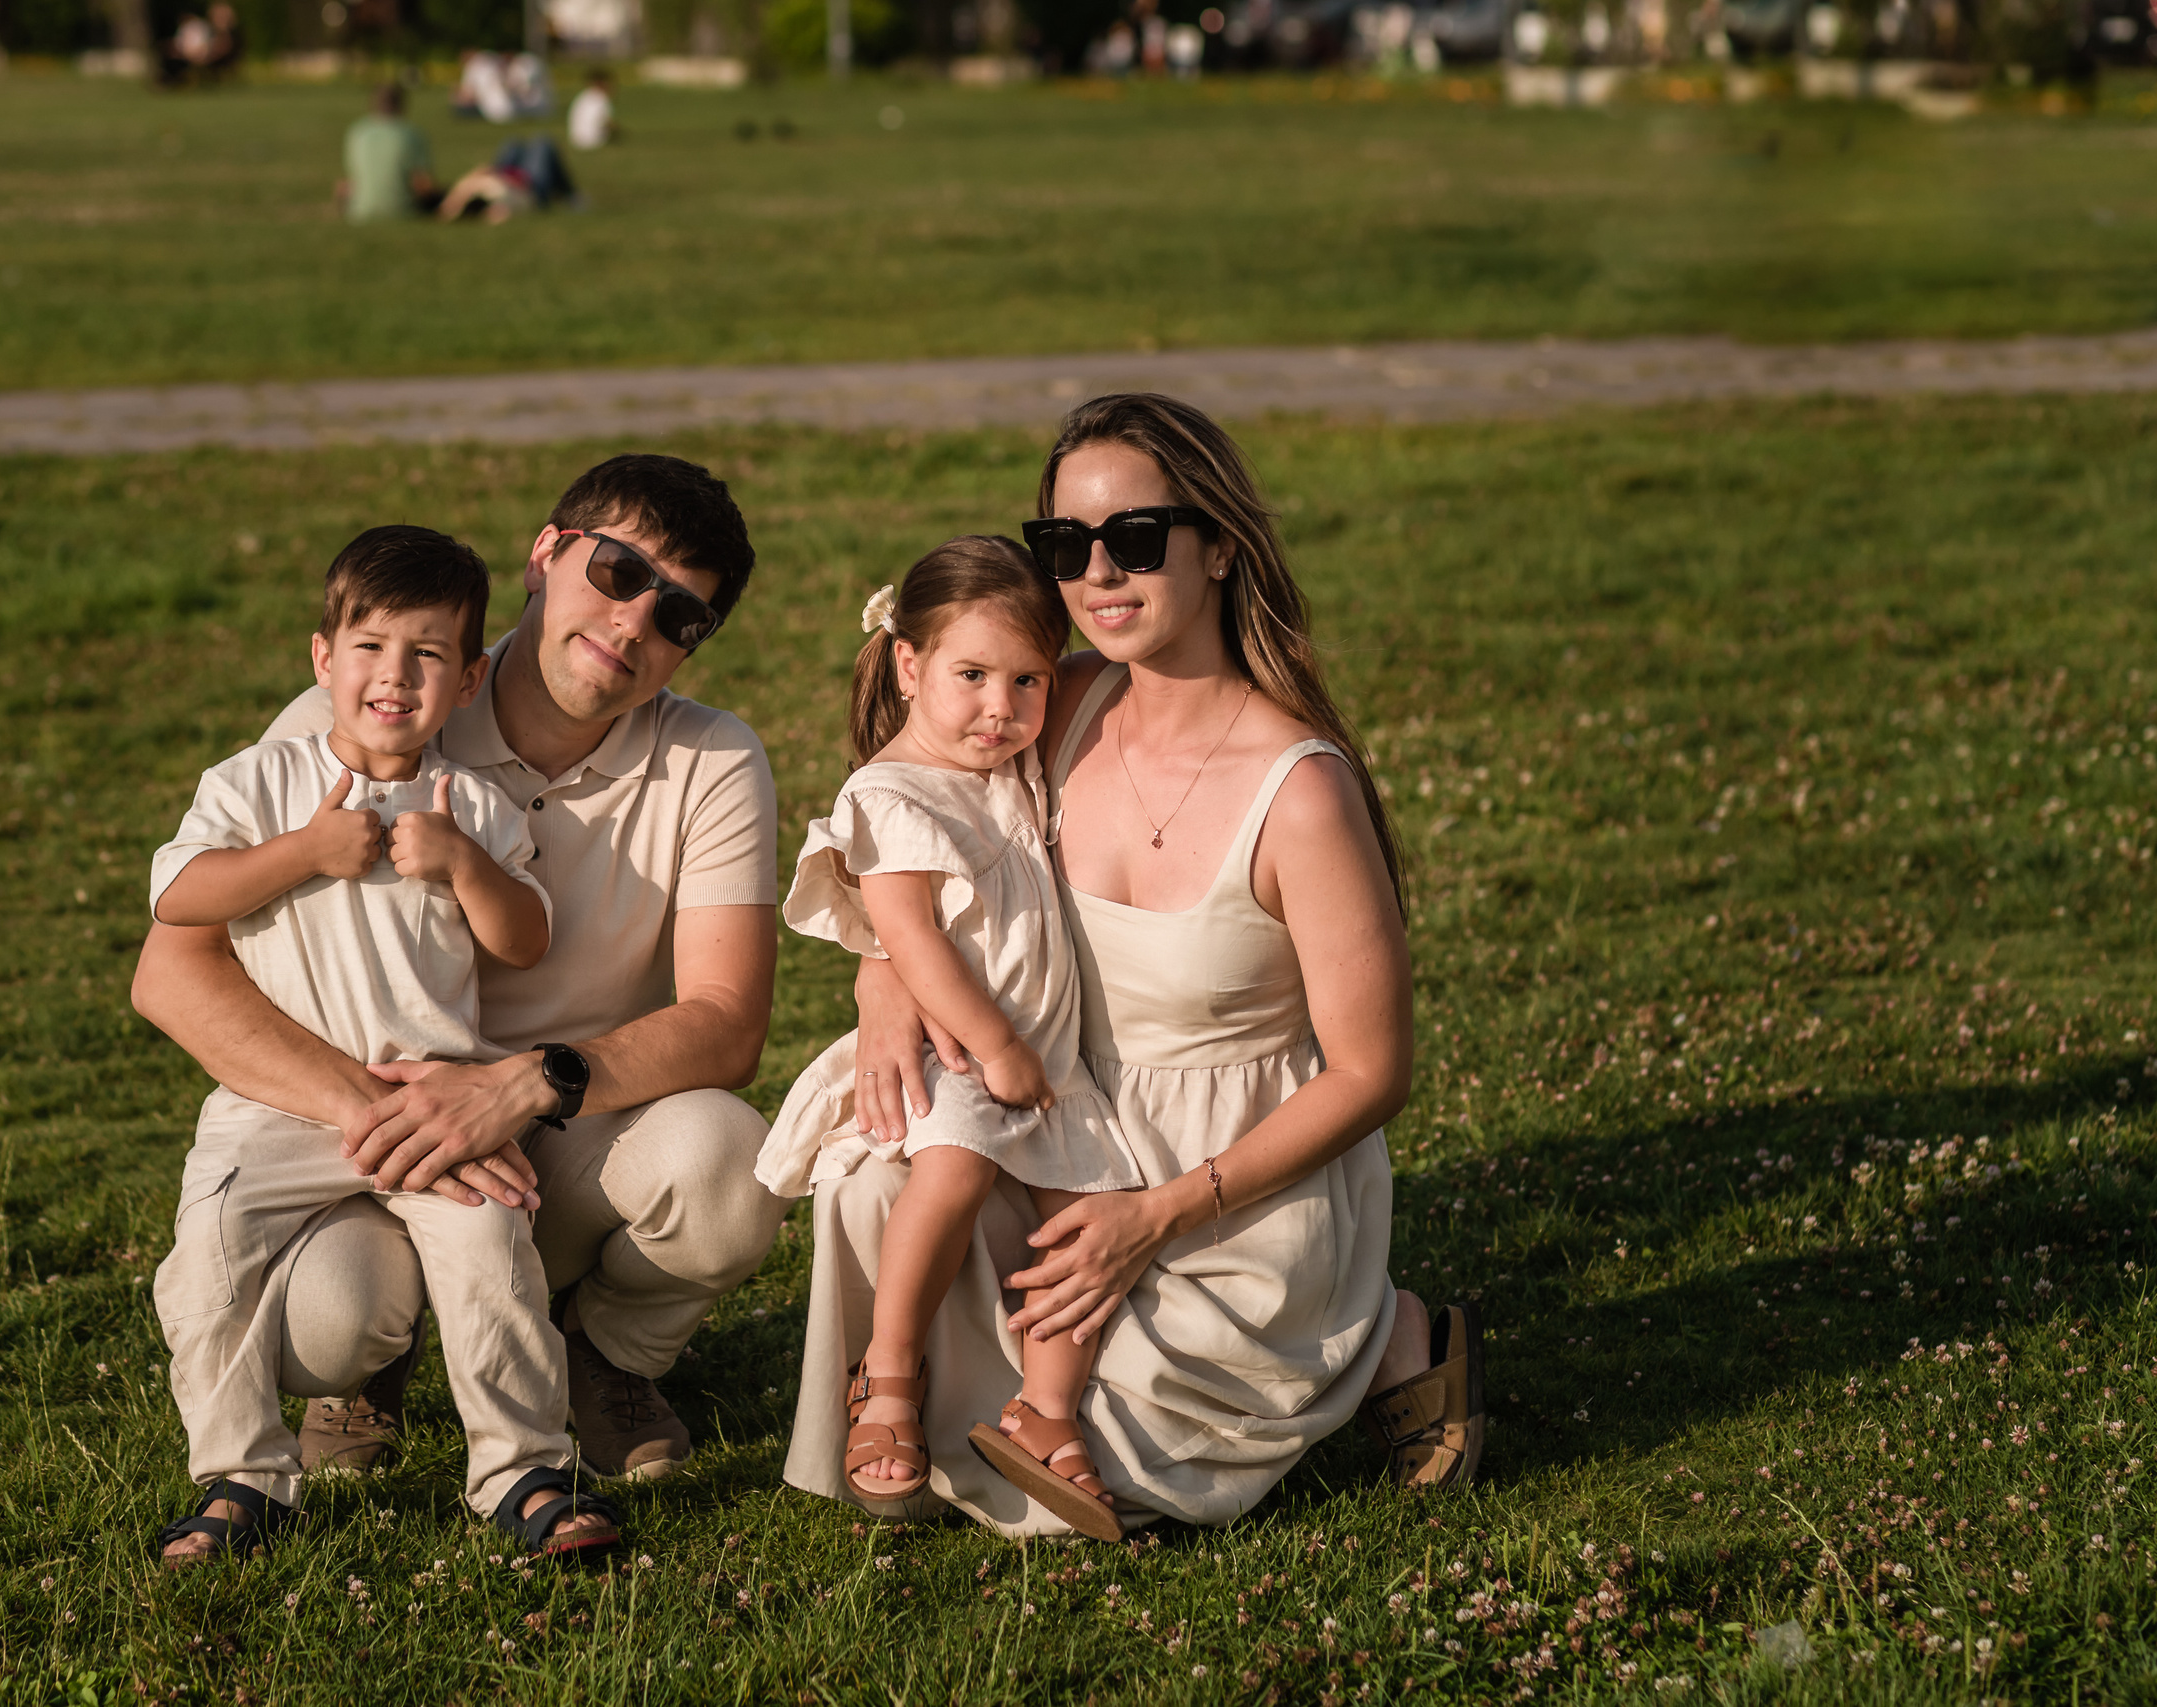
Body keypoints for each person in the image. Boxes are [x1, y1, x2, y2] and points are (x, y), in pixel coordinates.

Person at [800, 393, 1482, 1538]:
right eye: (1065, 544)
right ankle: (910, 1391)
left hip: (1228, 1179)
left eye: (1137, 537)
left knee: (1086, 1496)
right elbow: (905, 840)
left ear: (1218, 544)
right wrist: (884, 980)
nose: (1098, 573)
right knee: (878, 1175)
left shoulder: (1301, 793)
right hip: (1057, 1113)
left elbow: (1372, 1076)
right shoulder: (1048, 704)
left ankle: (1385, 1336)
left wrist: (1157, 1216)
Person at [129, 456, 785, 1512]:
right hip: (363, 1118)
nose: (632, 625)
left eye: (679, 615)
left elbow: (726, 1024)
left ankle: (606, 1355)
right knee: (329, 1324)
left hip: (561, 1135)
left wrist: (516, 1087)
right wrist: (375, 1108)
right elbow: (171, 972)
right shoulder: (366, 707)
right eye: (617, 572)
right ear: (545, 553)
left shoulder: (713, 759)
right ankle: (367, 1370)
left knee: (729, 1163)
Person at [146, 526, 641, 1564]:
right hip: (276, 1106)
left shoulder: (476, 805)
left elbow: (524, 939)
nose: (394, 675)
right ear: (322, 659)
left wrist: (462, 862)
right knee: (206, 1265)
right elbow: (180, 894)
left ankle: (523, 1474)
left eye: (426, 655)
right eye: (369, 646)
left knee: (491, 1252)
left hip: (431, 1101)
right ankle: (241, 1478)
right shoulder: (255, 784)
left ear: (466, 682)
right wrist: (301, 854)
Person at [755, 539, 1144, 1541]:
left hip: (1047, 1066)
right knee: (956, 1169)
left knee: (1093, 1218)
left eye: (1025, 682)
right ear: (908, 665)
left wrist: (1032, 1059)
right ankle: (887, 1376)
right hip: (958, 1056)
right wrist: (996, 1045)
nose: (1000, 707)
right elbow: (911, 943)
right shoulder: (891, 797)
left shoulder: (1007, 770)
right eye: (971, 676)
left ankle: (1044, 1411)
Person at [338, 81, 443, 221]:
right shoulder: (411, 134)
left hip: (359, 211)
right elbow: (422, 184)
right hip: (404, 211)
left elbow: (351, 181)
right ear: (402, 105)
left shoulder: (357, 132)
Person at [445, 133, 573, 221]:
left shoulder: (464, 193)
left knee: (513, 143)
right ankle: (570, 194)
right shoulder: (494, 209)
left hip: (504, 173)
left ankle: (569, 195)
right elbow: (503, 215)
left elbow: (448, 208)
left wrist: (455, 203)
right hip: (531, 186)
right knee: (543, 143)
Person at [566, 67, 613, 151]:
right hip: (594, 141)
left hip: (576, 140)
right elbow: (606, 122)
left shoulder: (582, 96)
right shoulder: (601, 98)